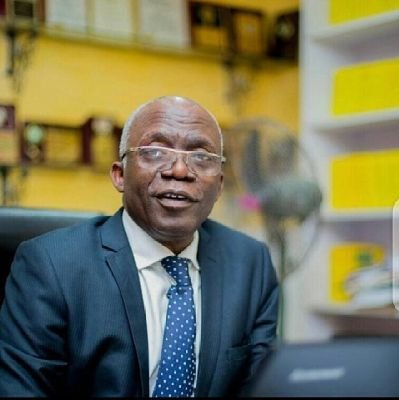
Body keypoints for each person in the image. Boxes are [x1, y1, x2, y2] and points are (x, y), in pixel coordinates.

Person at [0, 96, 279, 397]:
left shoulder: (251, 263)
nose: (180, 170)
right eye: (155, 151)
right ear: (119, 175)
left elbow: (262, 387)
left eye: (201, 156)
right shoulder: (51, 265)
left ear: (220, 184)